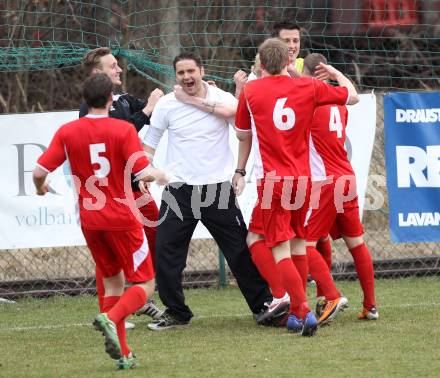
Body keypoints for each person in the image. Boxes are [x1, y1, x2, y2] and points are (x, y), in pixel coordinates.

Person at [32, 73, 168, 369]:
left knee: (112, 283)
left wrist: (39, 188)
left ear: (84, 99)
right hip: (122, 217)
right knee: (144, 283)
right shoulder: (122, 130)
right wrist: (162, 175)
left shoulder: (68, 131)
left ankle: (124, 354)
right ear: (110, 99)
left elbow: (40, 171)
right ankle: (112, 317)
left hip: (91, 221)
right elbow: (143, 172)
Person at [235, 38, 359, 336]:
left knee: (279, 249)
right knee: (300, 245)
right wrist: (337, 75)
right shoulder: (308, 86)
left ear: (261, 64)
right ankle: (296, 312)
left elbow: (241, 134)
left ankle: (301, 310)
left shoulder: (251, 90)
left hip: (274, 182)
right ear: (289, 62)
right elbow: (352, 97)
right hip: (304, 180)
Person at [142, 51, 274, 331]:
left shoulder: (224, 99)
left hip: (217, 190)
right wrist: (147, 169)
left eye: (191, 71)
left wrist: (239, 171)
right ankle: (177, 312)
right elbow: (148, 145)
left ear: (201, 70)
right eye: (181, 73)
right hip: (179, 192)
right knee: (166, 252)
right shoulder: (166, 105)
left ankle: (263, 305)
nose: (187, 77)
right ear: (176, 76)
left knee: (239, 252)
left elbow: (244, 134)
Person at [80, 47, 164, 324]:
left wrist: (195, 92)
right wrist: (149, 109)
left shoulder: (123, 99)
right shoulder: (90, 110)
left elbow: (141, 114)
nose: (119, 69)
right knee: (108, 257)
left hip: (136, 188)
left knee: (155, 230)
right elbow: (124, 129)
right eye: (112, 66)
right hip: (112, 195)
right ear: (97, 73)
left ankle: (138, 292)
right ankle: (111, 310)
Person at [302, 53, 378, 320]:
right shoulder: (339, 100)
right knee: (356, 242)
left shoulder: (308, 99)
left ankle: (331, 296)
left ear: (309, 74)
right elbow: (353, 94)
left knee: (303, 243)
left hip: (324, 181)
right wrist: (336, 74)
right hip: (347, 176)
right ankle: (370, 305)